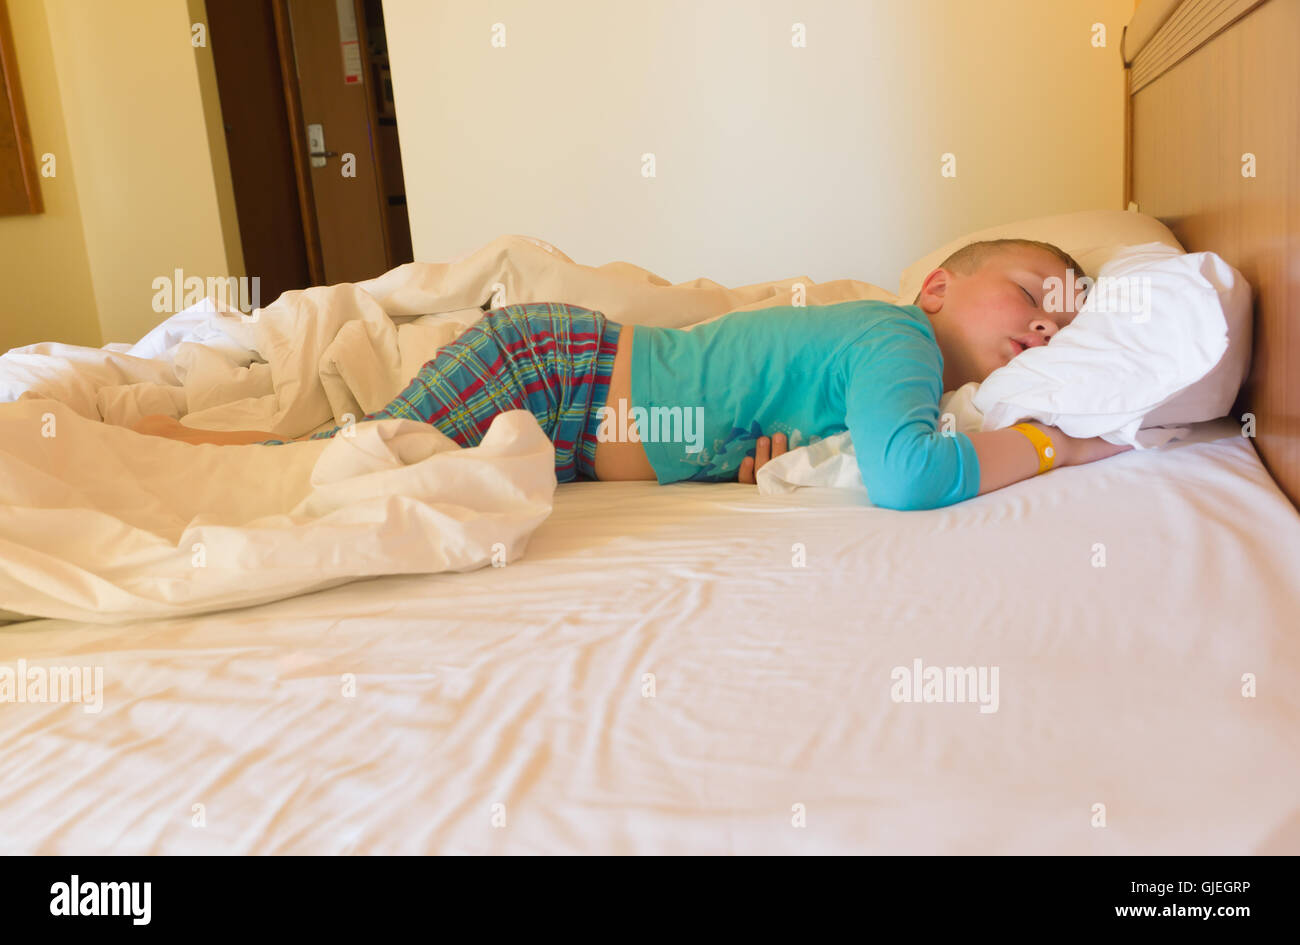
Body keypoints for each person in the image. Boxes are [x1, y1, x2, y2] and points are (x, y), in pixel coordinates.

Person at [133, 238, 1132, 509]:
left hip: (572, 431)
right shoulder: (896, 340)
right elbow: (912, 479)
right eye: (1035, 290)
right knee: (347, 463)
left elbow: (823, 445)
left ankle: (219, 458)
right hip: (555, 375)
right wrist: (1054, 443)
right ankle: (193, 450)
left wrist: (756, 462)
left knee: (375, 467)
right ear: (937, 286)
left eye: (1066, 320)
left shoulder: (898, 369)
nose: (1047, 323)